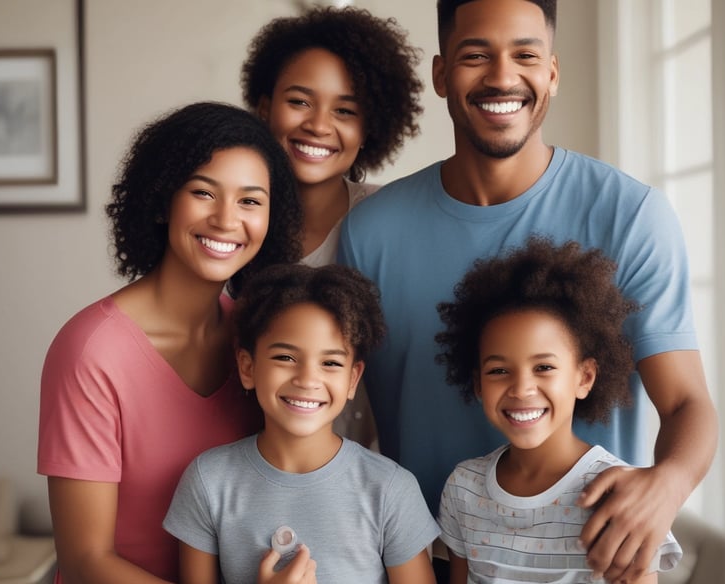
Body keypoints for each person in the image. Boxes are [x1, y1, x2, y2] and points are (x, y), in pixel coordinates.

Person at [337, 0, 718, 581]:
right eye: (475, 55)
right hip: (425, 561)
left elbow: (688, 404)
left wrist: (666, 485)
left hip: (588, 560)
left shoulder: (632, 215)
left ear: (552, 72)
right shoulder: (370, 232)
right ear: (441, 74)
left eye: (525, 55)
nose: (501, 76)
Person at [37, 102, 302, 583]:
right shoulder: (90, 351)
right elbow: (84, 561)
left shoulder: (259, 340)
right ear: (162, 200)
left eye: (250, 201)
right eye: (203, 192)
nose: (226, 220)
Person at [163, 263, 440, 584]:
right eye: (286, 358)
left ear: (353, 379)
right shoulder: (208, 482)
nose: (308, 379)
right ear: (248, 367)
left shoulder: (391, 490)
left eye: (331, 363)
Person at [435, 237, 682, 583]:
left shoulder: (620, 497)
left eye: (544, 368)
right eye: (498, 371)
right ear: (478, 384)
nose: (521, 388)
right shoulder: (464, 488)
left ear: (585, 377)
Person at [241, 5, 424, 449]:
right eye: (299, 101)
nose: (318, 125)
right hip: (254, 472)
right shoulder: (235, 222)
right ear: (265, 107)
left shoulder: (396, 218)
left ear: (369, 129)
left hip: (373, 480)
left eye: (345, 110)